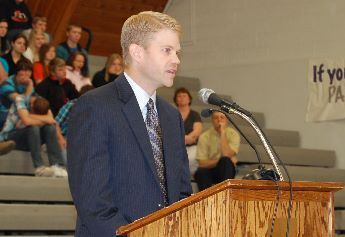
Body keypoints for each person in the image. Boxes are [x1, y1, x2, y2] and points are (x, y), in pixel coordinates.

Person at [67, 11, 192, 236]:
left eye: (177, 52)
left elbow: (182, 192)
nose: (176, 59)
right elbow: (93, 203)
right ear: (137, 52)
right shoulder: (95, 106)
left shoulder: (172, 117)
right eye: (167, 50)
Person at [0, 95, 67, 177]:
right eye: (35, 113)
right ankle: (39, 167)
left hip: (33, 139)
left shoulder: (42, 101)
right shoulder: (20, 100)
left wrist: (31, 116)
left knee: (50, 128)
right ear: (31, 106)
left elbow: (52, 121)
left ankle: (57, 165)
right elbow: (26, 122)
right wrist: (43, 119)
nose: (39, 116)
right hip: (12, 137)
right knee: (34, 127)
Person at [194, 111, 240, 191]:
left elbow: (226, 154)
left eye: (222, 117)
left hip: (226, 169)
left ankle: (226, 194)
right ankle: (205, 200)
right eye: (216, 117)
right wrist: (219, 161)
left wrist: (222, 132)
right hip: (210, 170)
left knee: (225, 161)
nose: (219, 120)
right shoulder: (205, 136)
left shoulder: (233, 134)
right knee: (201, 172)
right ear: (212, 120)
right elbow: (202, 163)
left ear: (227, 120)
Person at [174, 87, 203, 175]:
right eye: (179, 96)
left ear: (189, 99)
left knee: (190, 159)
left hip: (192, 146)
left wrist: (186, 138)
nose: (182, 98)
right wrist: (184, 138)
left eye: (184, 96)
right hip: (175, 146)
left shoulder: (195, 114)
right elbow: (169, 131)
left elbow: (197, 131)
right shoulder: (171, 113)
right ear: (175, 100)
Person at [0, 58, 33, 128]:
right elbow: (19, 101)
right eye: (24, 70)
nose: (27, 73)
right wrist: (30, 87)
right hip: (5, 113)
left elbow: (34, 100)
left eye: (29, 71)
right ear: (17, 71)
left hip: (21, 113)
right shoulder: (6, 84)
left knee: (47, 126)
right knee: (30, 126)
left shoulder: (26, 83)